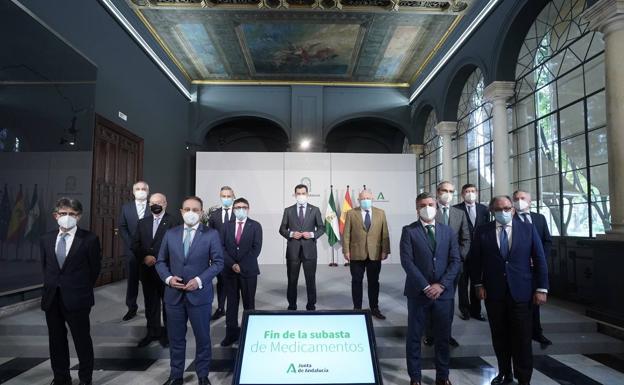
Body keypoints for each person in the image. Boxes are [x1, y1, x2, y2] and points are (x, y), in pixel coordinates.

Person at [470, 195, 549, 385]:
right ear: (492, 211)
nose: (503, 212)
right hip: (494, 293)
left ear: (513, 210)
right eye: (498, 209)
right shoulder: (482, 231)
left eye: (507, 208)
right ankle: (505, 373)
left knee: (522, 339)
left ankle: (523, 379)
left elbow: (540, 259)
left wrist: (542, 288)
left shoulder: (528, 229)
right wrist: (478, 284)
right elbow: (475, 261)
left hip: (522, 293)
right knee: (499, 336)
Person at [156, 196, 224, 385]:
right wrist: (168, 278)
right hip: (174, 296)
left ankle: (203, 375)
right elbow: (161, 261)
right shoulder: (171, 234)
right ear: (181, 212)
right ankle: (176, 375)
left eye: (195, 210)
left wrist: (199, 280)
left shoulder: (211, 235)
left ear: (201, 213)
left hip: (199, 296)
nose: (191, 213)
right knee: (176, 339)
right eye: (187, 209)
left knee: (203, 338)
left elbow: (218, 262)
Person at [401, 192, 461, 385]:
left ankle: (442, 377)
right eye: (422, 205)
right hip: (418, 293)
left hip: (444, 294)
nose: (427, 207)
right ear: (417, 209)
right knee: (414, 337)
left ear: (436, 206)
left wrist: (441, 285)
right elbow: (407, 262)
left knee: (443, 338)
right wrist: (426, 286)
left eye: (430, 204)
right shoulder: (409, 231)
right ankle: (415, 378)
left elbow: (455, 260)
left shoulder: (448, 231)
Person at [40, 198, 101, 385]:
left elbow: (94, 270)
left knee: (82, 341)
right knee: (56, 341)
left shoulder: (89, 239)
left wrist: (78, 287)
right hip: (52, 298)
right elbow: (46, 267)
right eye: (64, 213)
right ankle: (61, 377)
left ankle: (85, 379)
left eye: (72, 214)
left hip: (78, 299)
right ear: (55, 216)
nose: (68, 217)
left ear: (79, 216)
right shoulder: (46, 238)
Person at [424, 181, 470, 348]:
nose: (447, 194)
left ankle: (446, 334)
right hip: (433, 266)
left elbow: (466, 239)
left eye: (451, 191)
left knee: (448, 302)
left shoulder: (460, 213)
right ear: (438, 192)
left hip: (453, 267)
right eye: (444, 190)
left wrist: (458, 259)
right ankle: (430, 334)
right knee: (431, 300)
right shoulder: (429, 209)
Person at [132, 193, 177, 348]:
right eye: (152, 203)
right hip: (147, 270)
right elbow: (135, 244)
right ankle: (152, 332)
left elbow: (175, 245)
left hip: (166, 270)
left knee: (167, 304)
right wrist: (145, 257)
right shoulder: (142, 222)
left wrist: (157, 259)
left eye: (158, 202)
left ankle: (168, 334)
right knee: (150, 304)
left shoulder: (173, 221)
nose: (155, 205)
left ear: (165, 203)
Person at [512, 189, 553, 347]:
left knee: (535, 302)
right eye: (516, 198)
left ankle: (537, 332)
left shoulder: (539, 218)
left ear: (530, 201)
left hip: (536, 267)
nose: (519, 200)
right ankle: (521, 334)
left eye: (523, 198)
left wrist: (539, 257)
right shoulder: (510, 218)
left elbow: (547, 241)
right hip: (518, 269)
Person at [221, 198, 263, 347]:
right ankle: (230, 334)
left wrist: (241, 265)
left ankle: (250, 333)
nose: (240, 209)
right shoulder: (226, 226)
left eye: (243, 207)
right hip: (230, 271)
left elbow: (256, 248)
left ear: (248, 208)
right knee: (231, 303)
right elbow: (222, 247)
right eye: (237, 207)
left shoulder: (255, 226)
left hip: (249, 271)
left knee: (249, 303)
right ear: (233, 209)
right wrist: (232, 264)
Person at [342, 189, 390, 319]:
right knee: (356, 281)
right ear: (358, 200)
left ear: (372, 198)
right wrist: (346, 250)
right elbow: (346, 234)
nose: (365, 200)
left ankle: (374, 308)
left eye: (368, 198)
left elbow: (384, 233)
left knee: (374, 282)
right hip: (356, 253)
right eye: (362, 199)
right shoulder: (351, 213)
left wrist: (385, 250)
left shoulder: (380, 213)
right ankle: (357, 308)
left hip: (375, 254)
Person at [279, 183, 325, 311]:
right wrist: (291, 234)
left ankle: (311, 305)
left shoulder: (314, 210)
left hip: (309, 251)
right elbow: (282, 229)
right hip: (293, 251)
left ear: (307, 194)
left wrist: (311, 234)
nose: (301, 196)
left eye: (303, 193)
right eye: (298, 194)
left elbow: (322, 228)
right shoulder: (288, 210)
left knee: (310, 280)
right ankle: (292, 305)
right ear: (295, 195)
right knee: (292, 281)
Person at [453, 183, 490, 321]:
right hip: (462, 253)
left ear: (477, 192)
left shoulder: (484, 209)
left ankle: (476, 310)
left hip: (479, 253)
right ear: (462, 194)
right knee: (462, 283)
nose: (470, 193)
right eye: (467, 191)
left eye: (472, 191)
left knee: (477, 282)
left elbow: (487, 229)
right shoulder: (455, 209)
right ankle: (465, 310)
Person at [118, 180, 149, 321]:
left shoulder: (153, 207)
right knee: (132, 281)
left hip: (150, 251)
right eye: (138, 188)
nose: (141, 190)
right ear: (133, 191)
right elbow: (122, 227)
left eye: (144, 188)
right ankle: (131, 308)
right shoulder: (126, 208)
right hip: (132, 251)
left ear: (148, 191)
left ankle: (151, 307)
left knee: (150, 281)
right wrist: (131, 244)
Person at [207, 186, 236, 320]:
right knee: (221, 281)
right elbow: (209, 235)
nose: (226, 198)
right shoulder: (214, 215)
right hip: (218, 254)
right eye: (223, 196)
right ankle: (220, 307)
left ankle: (232, 308)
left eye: (228, 196)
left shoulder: (238, 213)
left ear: (233, 196)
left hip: (234, 255)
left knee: (234, 282)